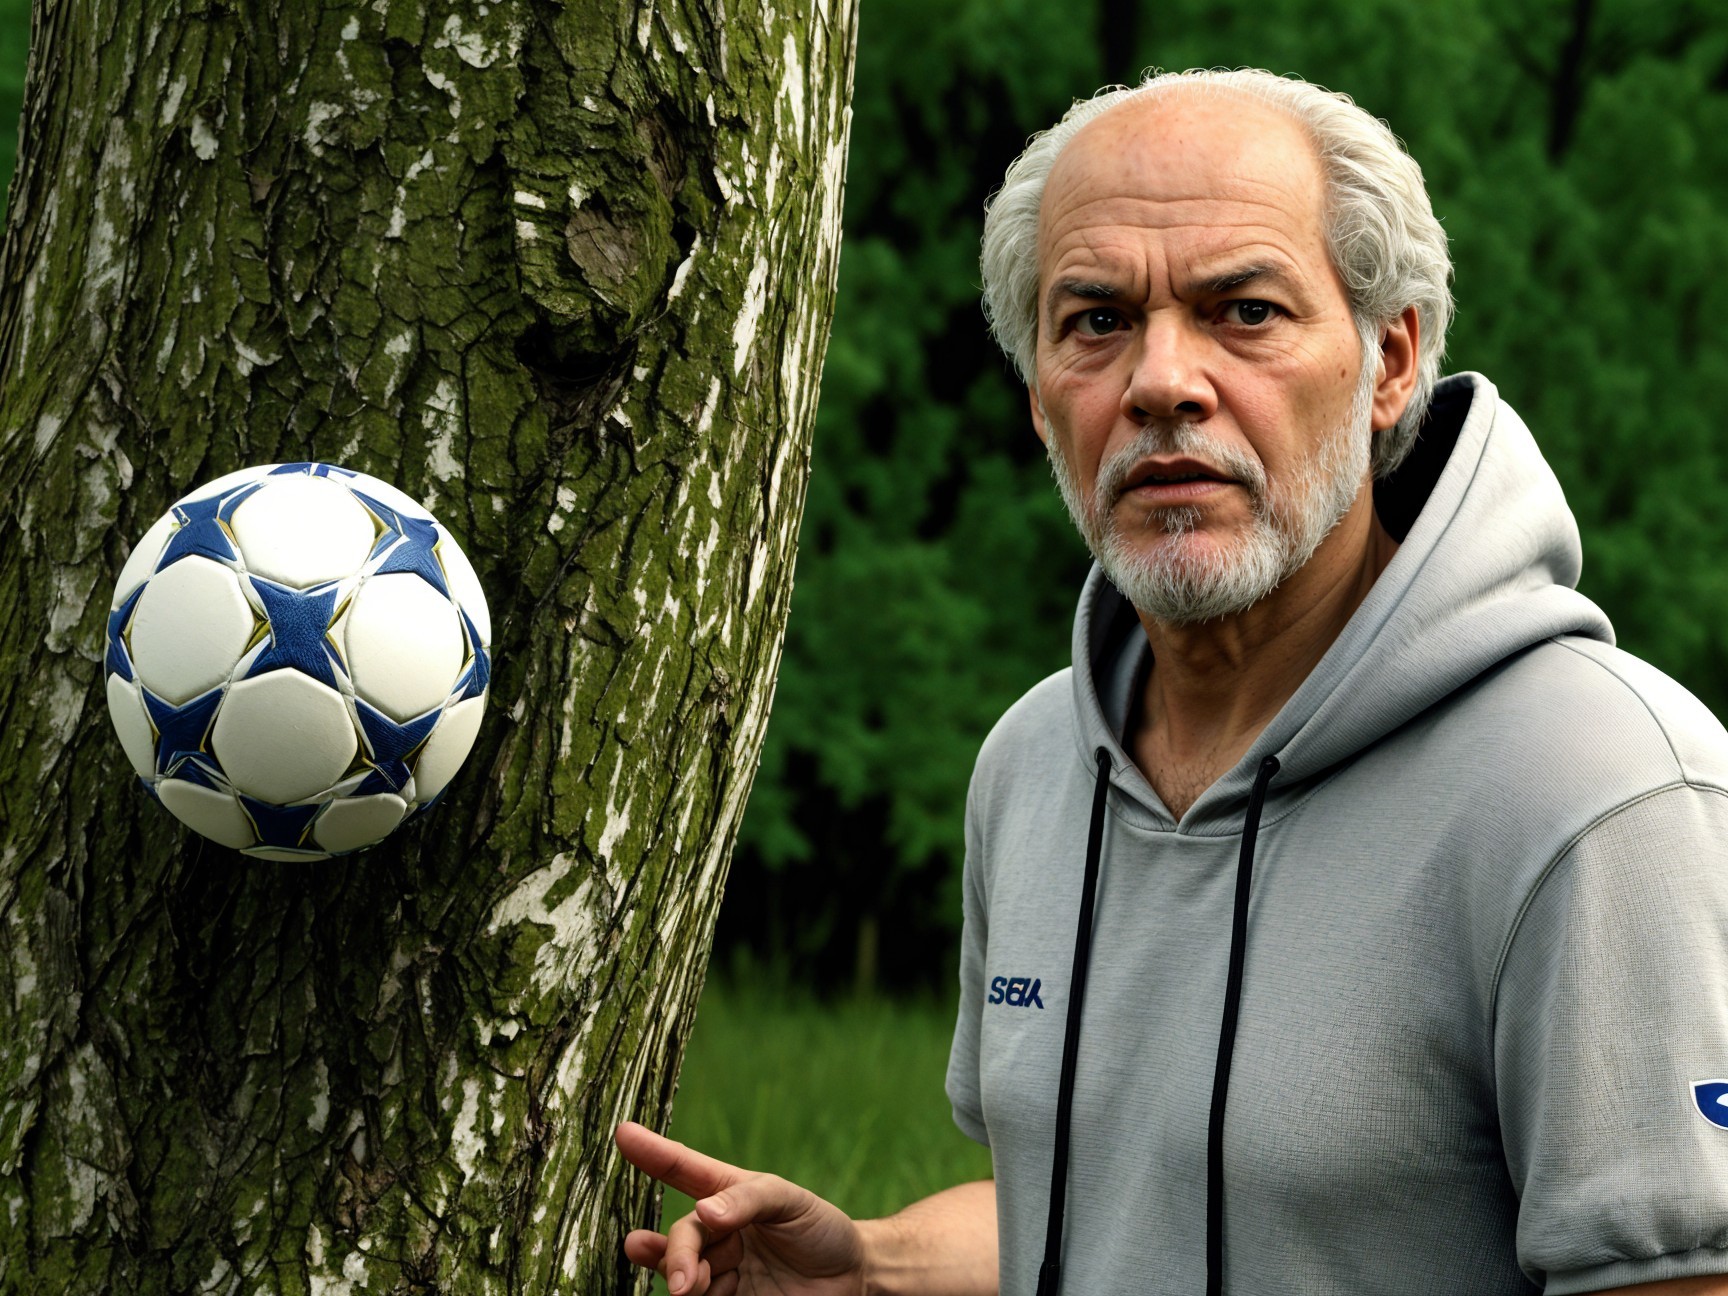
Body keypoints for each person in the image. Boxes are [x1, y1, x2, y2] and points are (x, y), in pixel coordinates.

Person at [616, 67, 1728, 1295]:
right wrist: (873, 1268)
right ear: (1042, 399)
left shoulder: (1606, 795)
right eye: (1094, 320)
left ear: (1391, 361)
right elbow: (1104, 1206)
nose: (1161, 381)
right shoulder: (1032, 767)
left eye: (1242, 310)